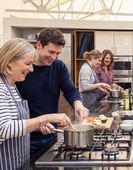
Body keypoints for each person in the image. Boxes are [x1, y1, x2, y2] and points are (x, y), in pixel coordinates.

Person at [0, 38, 71, 170]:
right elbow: (4, 129)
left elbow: (17, 123)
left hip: (18, 166)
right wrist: (46, 118)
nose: (31, 69)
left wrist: (38, 126)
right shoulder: (1, 88)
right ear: (9, 61)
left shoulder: (12, 86)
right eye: (27, 64)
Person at [16, 28, 89, 157]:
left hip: (51, 133)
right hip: (25, 137)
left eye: (58, 53)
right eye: (51, 52)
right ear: (38, 45)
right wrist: (37, 124)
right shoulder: (22, 69)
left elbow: (70, 89)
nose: (54, 57)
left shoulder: (58, 66)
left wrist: (78, 104)